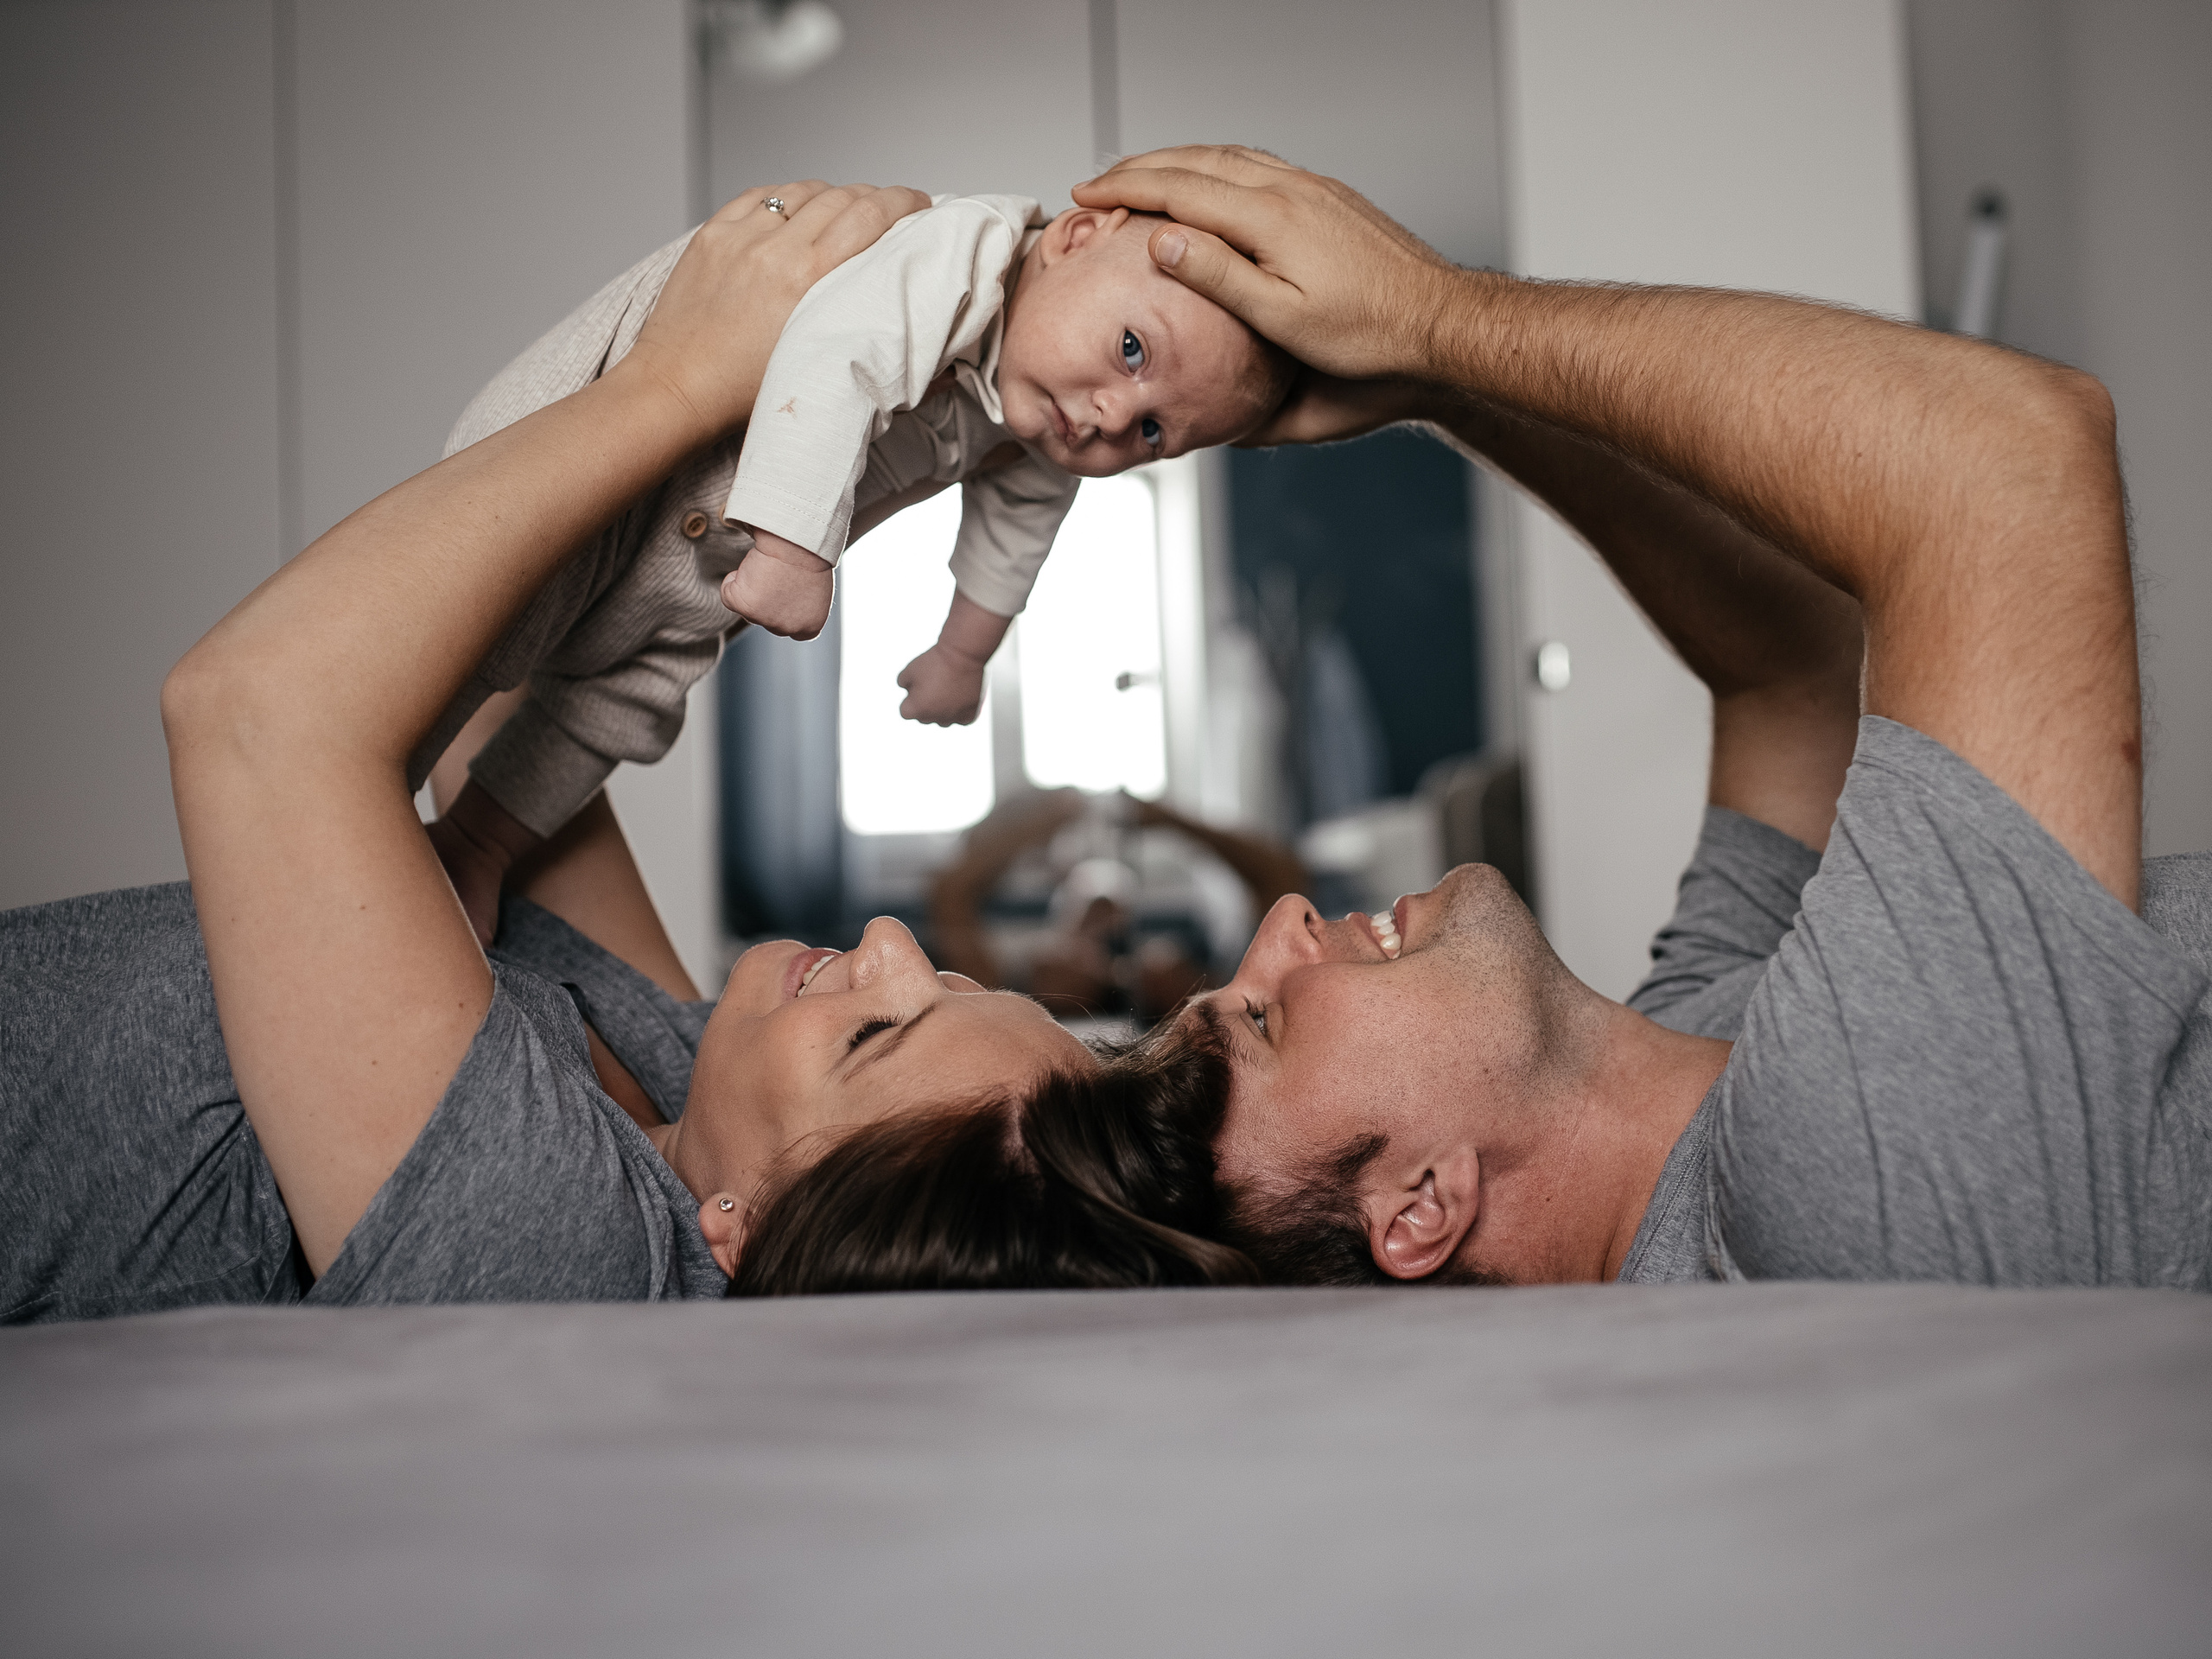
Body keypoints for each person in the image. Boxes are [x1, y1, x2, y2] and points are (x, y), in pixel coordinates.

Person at [0, 182, 1245, 1325]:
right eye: (959, 984)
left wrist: (680, 376)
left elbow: (254, 713)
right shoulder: (682, 1063)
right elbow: (499, 721)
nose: (891, 945)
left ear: (743, 1233)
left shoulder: (561, 1246)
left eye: (875, 1037)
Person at [1049, 145, 2212, 1290]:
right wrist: (1436, 313)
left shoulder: (1682, 1061)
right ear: (1421, 1206)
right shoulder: (1821, 1201)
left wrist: (1444, 392)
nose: (1282, 922)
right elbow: (2010, 464)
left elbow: (1785, 672)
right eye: (1262, 1022)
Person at [423, 195, 1293, 946]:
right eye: (1134, 350)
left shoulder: (1039, 424)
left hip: (690, 568)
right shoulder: (964, 254)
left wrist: (962, 655)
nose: (1113, 414)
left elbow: (1018, 530)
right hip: (584, 469)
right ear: (1074, 236)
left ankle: (476, 847)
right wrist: (793, 552)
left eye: (1152, 433)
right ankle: (368, 780)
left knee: (614, 715)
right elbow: (840, 354)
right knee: (468, 640)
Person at [928, 788, 1308, 1026]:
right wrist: (1035, 825)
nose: (1104, 930)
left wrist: (1172, 821)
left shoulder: (1205, 997)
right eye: (1087, 921)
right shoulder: (1000, 1001)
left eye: (1112, 926)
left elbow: (1283, 879)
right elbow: (951, 892)